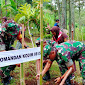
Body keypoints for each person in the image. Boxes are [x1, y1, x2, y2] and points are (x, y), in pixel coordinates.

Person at [0, 20, 28, 85]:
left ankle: (7, 74)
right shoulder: (0, 34)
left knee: (16, 54)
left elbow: (20, 39)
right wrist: (15, 60)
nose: (14, 34)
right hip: (1, 50)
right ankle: (4, 79)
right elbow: (4, 54)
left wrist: (27, 47)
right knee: (4, 63)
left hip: (6, 47)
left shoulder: (16, 30)